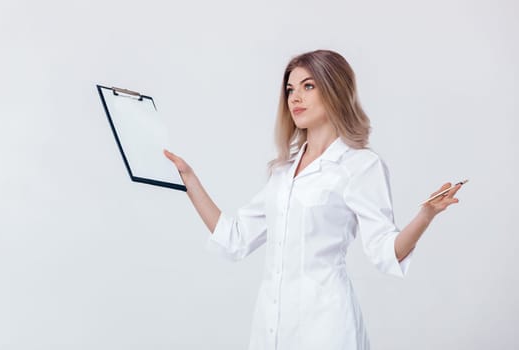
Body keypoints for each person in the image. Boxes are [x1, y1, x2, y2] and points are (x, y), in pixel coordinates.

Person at [163, 49, 462, 350]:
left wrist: (425, 216)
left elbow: (386, 251)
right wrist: (189, 178)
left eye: (308, 86)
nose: (295, 98)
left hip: (326, 326)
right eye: (290, 89)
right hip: (271, 326)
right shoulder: (282, 172)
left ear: (334, 90)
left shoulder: (359, 165)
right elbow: (235, 238)